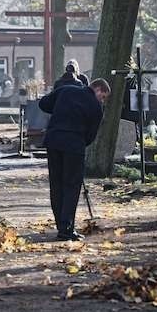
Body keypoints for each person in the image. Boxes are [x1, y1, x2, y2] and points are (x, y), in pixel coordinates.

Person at [39, 78, 111, 240]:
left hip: (54, 141)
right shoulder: (95, 107)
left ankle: (60, 225)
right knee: (71, 186)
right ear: (98, 89)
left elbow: (43, 104)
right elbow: (91, 136)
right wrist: (79, 142)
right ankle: (66, 228)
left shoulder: (66, 90)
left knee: (56, 184)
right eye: (103, 96)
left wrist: (59, 109)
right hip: (74, 146)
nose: (102, 100)